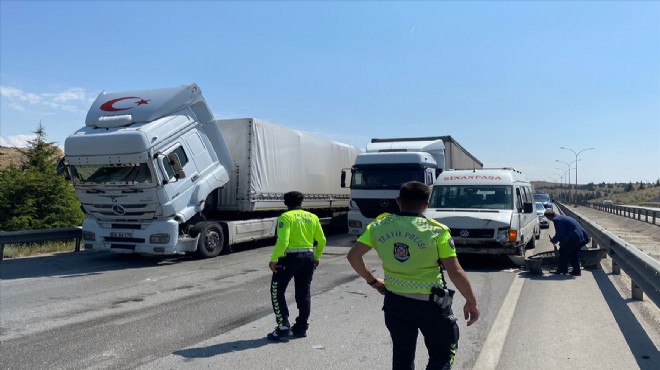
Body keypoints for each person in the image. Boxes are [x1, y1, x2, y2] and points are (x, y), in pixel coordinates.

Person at [347, 181, 480, 369]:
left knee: (402, 356)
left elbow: (353, 256)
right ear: (426, 204)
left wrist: (372, 280)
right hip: (430, 305)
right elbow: (455, 272)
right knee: (441, 356)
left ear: (398, 201)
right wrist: (471, 301)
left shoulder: (378, 226)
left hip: (395, 302)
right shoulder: (437, 231)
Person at [267, 191, 326, 340]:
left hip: (289, 258)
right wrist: (317, 257)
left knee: (277, 291)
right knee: (303, 292)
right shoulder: (313, 217)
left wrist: (274, 259)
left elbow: (283, 241)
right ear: (302, 203)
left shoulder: (285, 217)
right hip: (308, 257)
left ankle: (283, 327)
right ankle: (301, 328)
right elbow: (322, 240)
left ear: (285, 203)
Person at [545, 209, 590, 276]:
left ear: (549, 217)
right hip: (581, 236)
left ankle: (562, 270)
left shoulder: (557, 220)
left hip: (574, 237)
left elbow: (560, 233)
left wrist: (554, 240)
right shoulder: (561, 217)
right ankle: (576, 271)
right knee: (573, 254)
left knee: (563, 252)